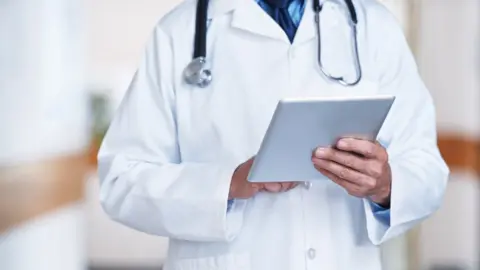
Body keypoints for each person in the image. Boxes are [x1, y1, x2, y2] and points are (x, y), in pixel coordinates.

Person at [97, 0, 449, 269]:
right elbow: (121, 181)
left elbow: (426, 169)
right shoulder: (179, 33)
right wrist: (227, 185)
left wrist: (384, 185)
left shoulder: (373, 27)